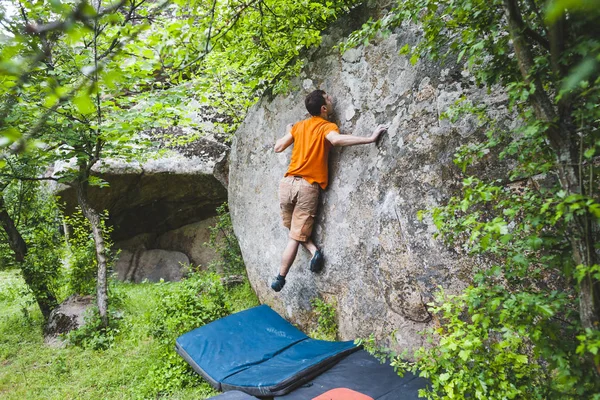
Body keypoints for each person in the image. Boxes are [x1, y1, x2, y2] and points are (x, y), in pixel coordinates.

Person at [271, 89, 388, 292]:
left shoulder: (298, 127)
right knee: (294, 236)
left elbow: (278, 147)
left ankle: (313, 250)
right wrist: (369, 138)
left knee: (293, 228)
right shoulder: (327, 126)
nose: (332, 99)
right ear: (324, 108)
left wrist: (287, 131)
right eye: (328, 98)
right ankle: (281, 277)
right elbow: (336, 140)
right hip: (307, 187)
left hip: (287, 184)